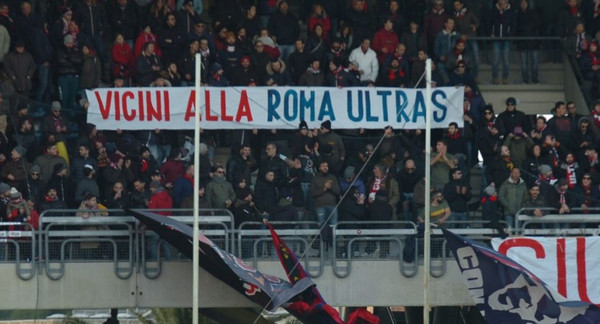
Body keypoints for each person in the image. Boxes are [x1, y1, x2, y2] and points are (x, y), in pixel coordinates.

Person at [490, 0, 516, 84]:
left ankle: (505, 77)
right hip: (496, 38)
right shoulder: (494, 10)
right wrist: (491, 33)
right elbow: (490, 22)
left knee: (506, 60)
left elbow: (513, 25)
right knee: (495, 60)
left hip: (506, 39)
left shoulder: (510, 11)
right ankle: (495, 77)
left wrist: (510, 35)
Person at [310, 161, 340, 226]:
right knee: (321, 226)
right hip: (320, 206)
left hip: (332, 205)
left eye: (326, 166)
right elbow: (312, 193)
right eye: (323, 166)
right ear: (319, 168)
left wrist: (330, 187)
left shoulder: (333, 177)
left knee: (333, 225)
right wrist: (324, 189)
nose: (325, 168)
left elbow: (338, 191)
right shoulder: (315, 179)